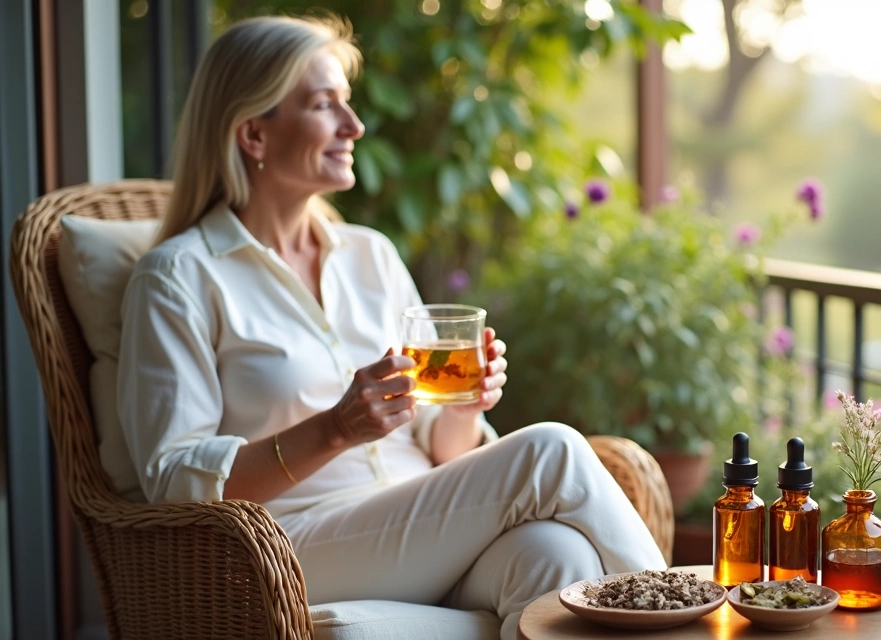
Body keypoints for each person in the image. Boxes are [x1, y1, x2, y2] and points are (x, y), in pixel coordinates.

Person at [115, 14, 665, 639]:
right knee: (552, 450)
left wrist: (465, 406)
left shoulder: (368, 255)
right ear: (253, 135)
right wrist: (333, 429)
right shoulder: (178, 277)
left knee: (557, 557)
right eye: (325, 106)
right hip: (288, 545)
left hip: (419, 529)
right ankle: (691, 623)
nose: (354, 127)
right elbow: (174, 482)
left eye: (346, 104)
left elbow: (438, 441)